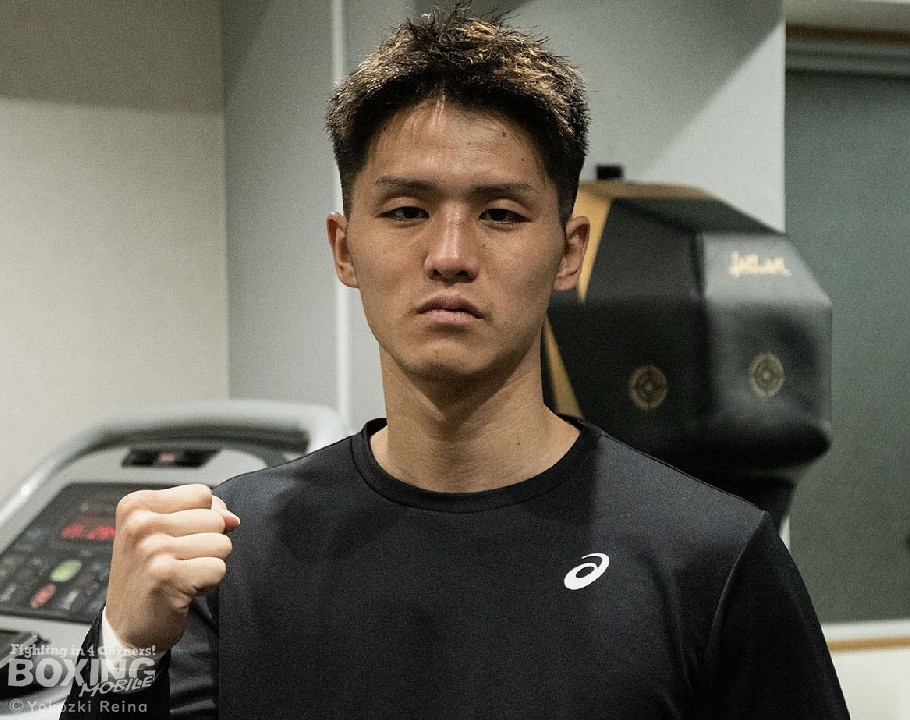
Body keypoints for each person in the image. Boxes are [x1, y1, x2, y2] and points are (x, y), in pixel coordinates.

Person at [62, 7, 849, 719]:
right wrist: (124, 651)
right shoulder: (233, 551)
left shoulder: (708, 559)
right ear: (345, 248)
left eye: (500, 214)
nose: (450, 254)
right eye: (406, 211)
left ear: (569, 252)